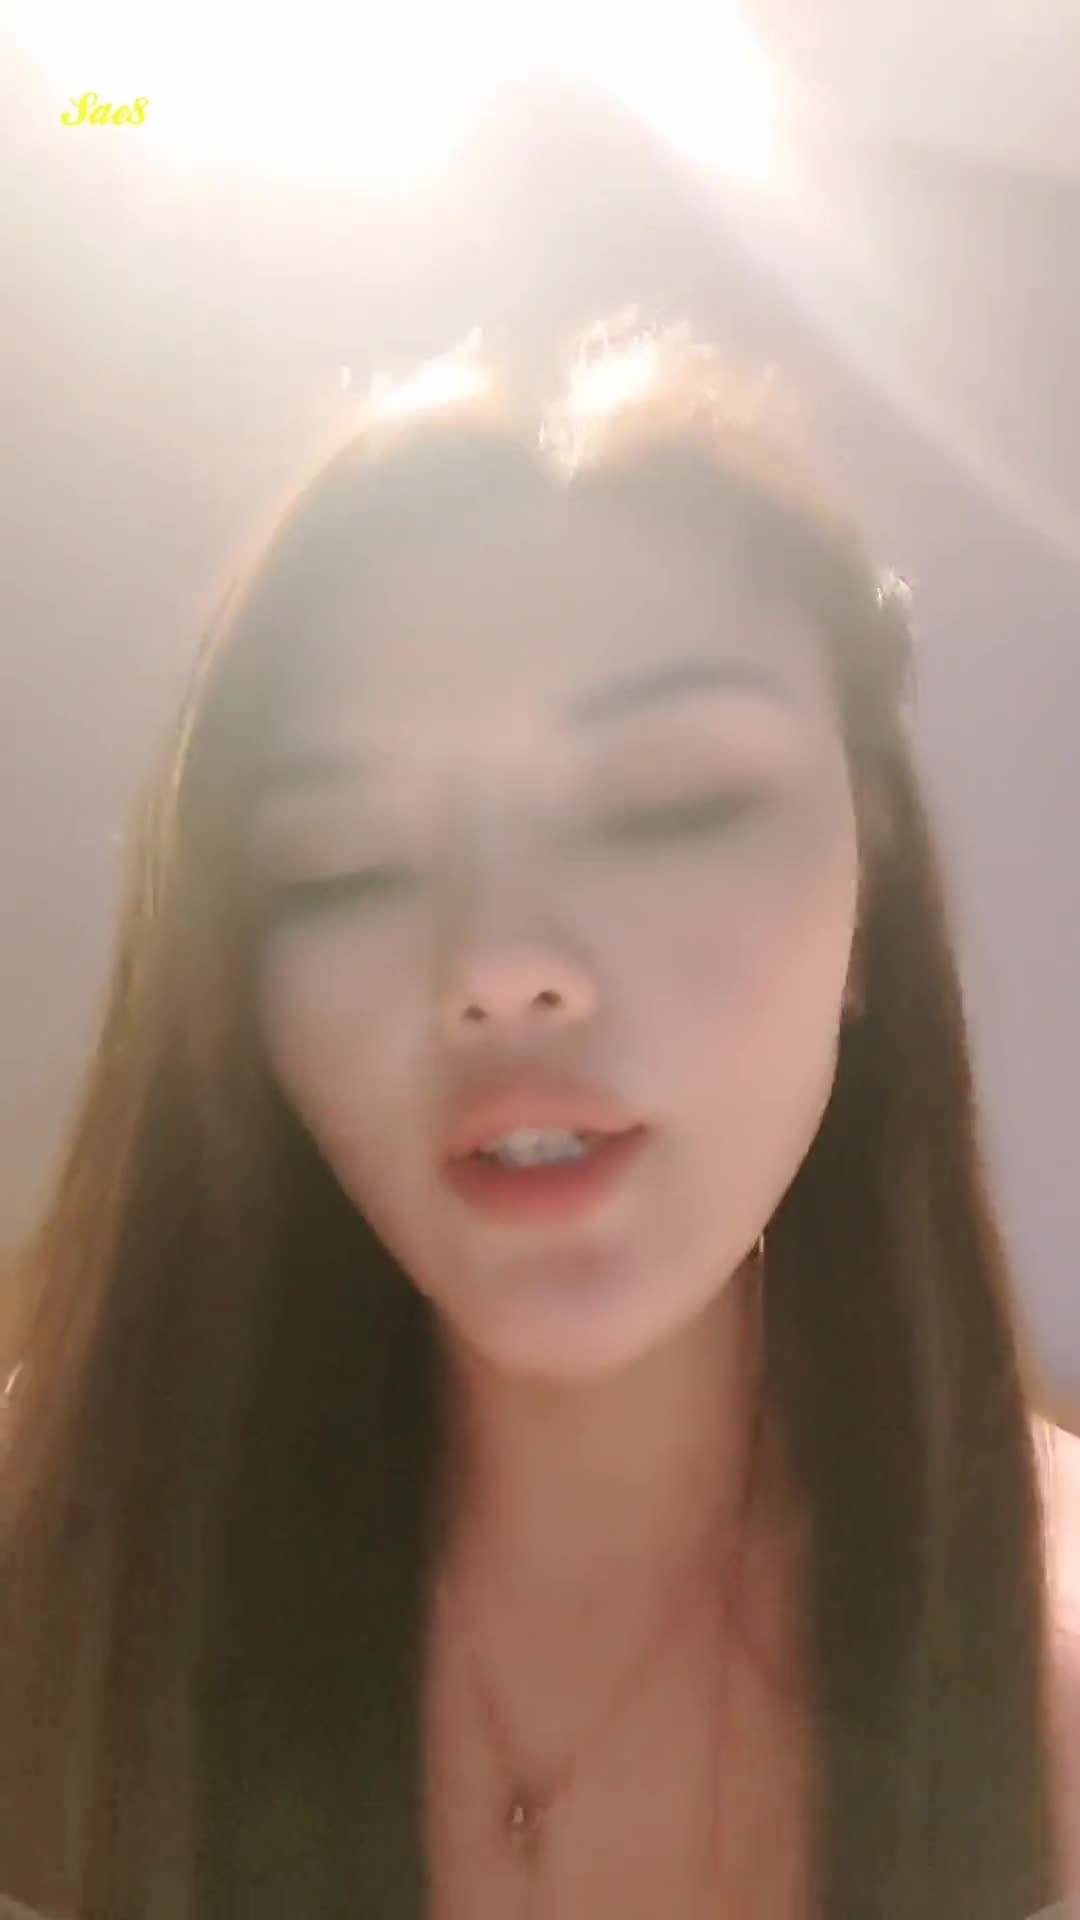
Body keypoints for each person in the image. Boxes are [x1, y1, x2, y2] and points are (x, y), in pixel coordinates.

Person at [1, 321, 1077, 1920]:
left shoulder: (1045, 1655)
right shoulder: (57, 1570)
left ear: (872, 900)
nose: (499, 966)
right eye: (343, 864)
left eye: (671, 803)